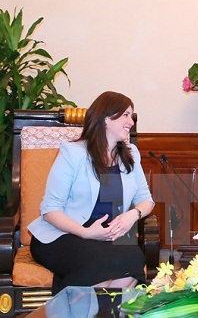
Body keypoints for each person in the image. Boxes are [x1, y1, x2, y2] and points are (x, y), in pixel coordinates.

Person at [28, 91, 155, 294]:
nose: (130, 122)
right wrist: (86, 233)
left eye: (131, 115)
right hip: (64, 234)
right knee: (100, 265)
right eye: (125, 115)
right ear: (105, 119)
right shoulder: (73, 153)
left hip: (107, 236)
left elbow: (146, 200)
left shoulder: (131, 154)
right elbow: (50, 210)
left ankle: (87, 310)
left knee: (133, 260)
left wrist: (133, 215)